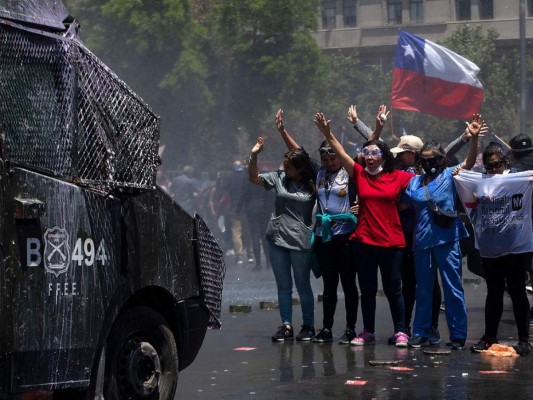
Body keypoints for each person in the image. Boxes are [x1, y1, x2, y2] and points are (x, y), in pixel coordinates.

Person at [314, 111, 413, 348]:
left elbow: (421, 188)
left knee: (393, 289)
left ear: (383, 157)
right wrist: (328, 133)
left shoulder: (398, 177)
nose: (369, 157)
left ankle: (401, 331)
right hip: (364, 241)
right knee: (367, 289)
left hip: (391, 242)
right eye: (366, 153)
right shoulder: (358, 174)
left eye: (374, 153)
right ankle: (367, 331)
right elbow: (340, 152)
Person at [401, 115, 482, 350]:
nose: (429, 163)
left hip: (447, 240)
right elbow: (398, 205)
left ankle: (458, 335)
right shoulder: (414, 183)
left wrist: (473, 139)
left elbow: (467, 164)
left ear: (441, 159)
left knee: (452, 288)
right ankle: (420, 332)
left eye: (434, 159)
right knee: (424, 290)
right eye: (425, 160)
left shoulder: (449, 175)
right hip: (421, 243)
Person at [455, 141, 533, 355]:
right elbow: (464, 183)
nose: (493, 170)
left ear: (505, 162)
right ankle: (489, 336)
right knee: (494, 292)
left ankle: (524, 339)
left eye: (497, 165)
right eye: (489, 167)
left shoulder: (520, 178)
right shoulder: (480, 182)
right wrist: (458, 173)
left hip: (517, 246)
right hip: (490, 248)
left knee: (517, 291)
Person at [248, 135, 316, 342]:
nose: (284, 168)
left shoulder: (312, 184)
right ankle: (286, 324)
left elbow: (306, 156)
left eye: (288, 166)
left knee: (303, 284)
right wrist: (253, 156)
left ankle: (308, 325)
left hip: (300, 241)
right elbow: (254, 178)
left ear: (300, 169)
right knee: (283, 285)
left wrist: (284, 131)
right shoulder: (278, 178)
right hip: (277, 239)